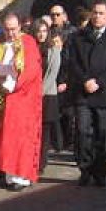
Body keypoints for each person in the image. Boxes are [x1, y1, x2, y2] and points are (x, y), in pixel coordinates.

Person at [64, 1, 106, 186]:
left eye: (101, 13)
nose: (97, 16)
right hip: (83, 92)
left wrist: (99, 82)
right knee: (83, 132)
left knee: (104, 134)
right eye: (95, 13)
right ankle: (85, 169)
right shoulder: (79, 37)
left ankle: (100, 171)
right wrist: (85, 80)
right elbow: (73, 62)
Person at [0, 13, 43, 191]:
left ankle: (19, 175)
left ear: (20, 27)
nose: (10, 33)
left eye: (14, 29)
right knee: (0, 136)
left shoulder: (28, 42)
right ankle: (1, 170)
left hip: (22, 98)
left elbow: (32, 71)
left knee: (18, 137)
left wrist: (14, 84)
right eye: (7, 29)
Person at [32, 20, 66, 172]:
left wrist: (40, 91)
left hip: (47, 95)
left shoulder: (53, 50)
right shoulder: (29, 49)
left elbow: (52, 74)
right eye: (39, 31)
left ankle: (41, 162)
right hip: (30, 96)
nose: (41, 34)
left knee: (44, 132)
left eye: (44, 31)